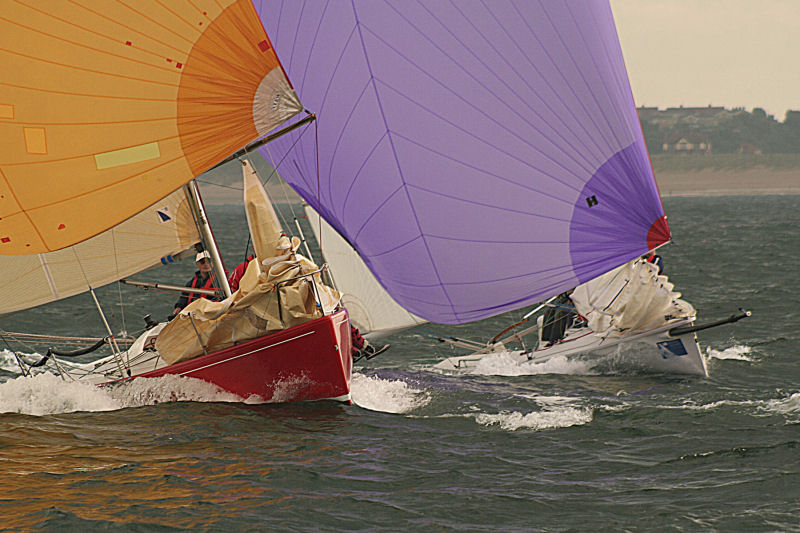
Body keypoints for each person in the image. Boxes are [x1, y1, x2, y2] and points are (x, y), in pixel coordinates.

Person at [172, 251, 219, 316]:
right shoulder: (191, 283)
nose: (206, 264)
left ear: (213, 262)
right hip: (192, 314)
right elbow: (184, 297)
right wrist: (179, 307)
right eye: (202, 262)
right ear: (197, 263)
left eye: (208, 261)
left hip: (209, 314)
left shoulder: (219, 281)